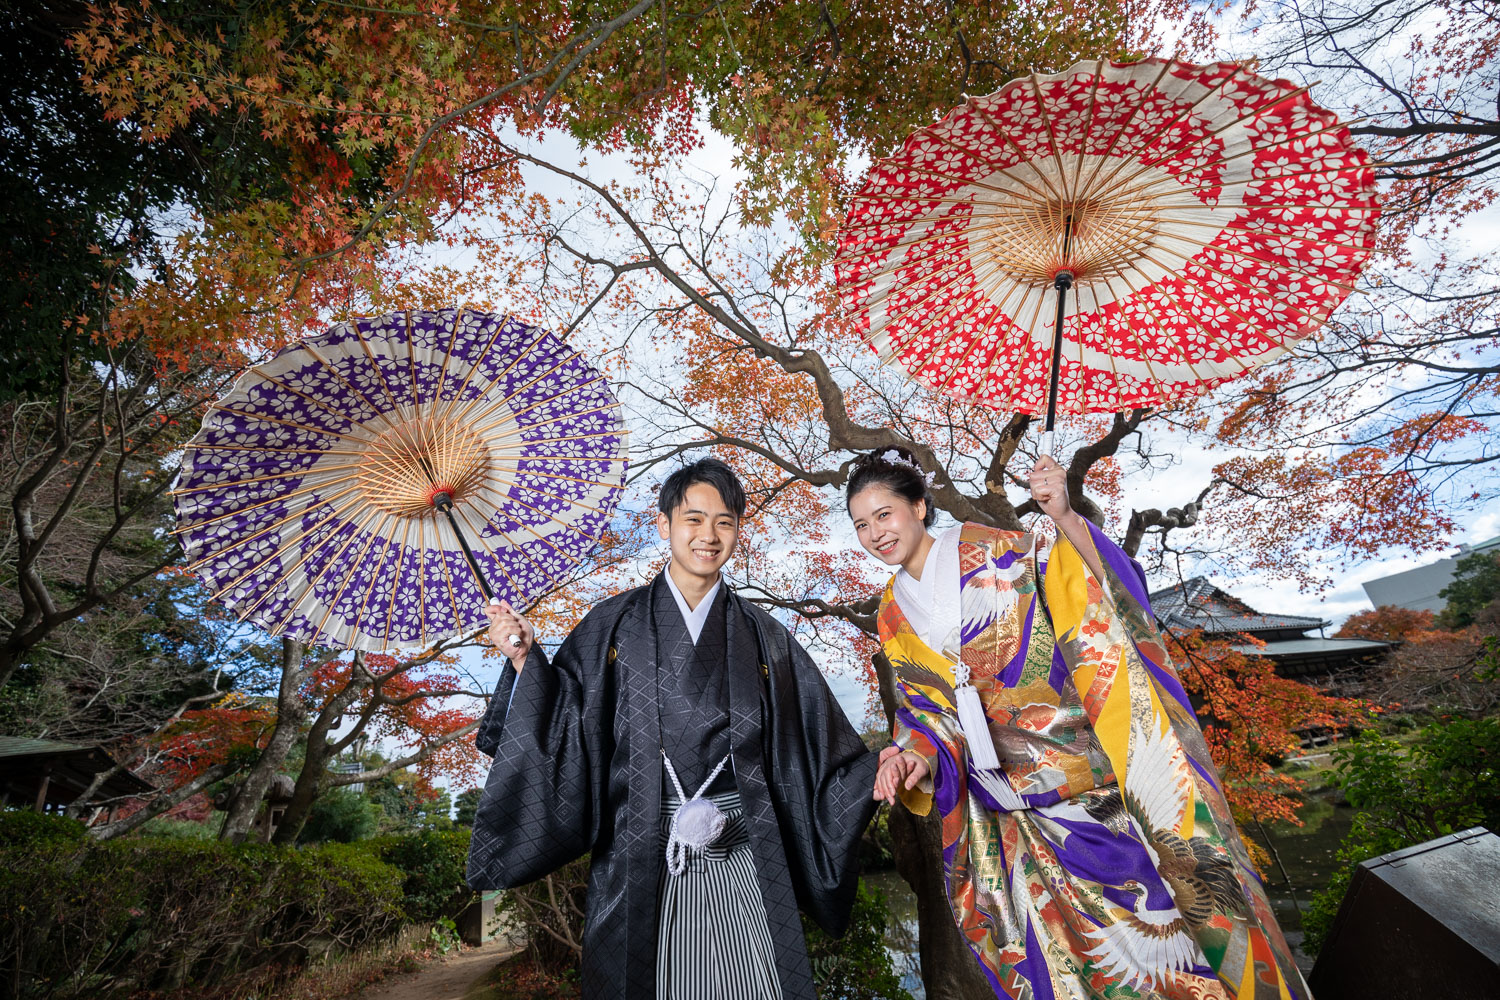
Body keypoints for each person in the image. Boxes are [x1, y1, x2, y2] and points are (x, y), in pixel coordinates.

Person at [853, 446, 1311, 1000]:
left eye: (885, 514)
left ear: (921, 506)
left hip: (1091, 793)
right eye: (861, 524)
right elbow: (925, 713)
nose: (875, 531)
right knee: (1069, 969)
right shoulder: (891, 614)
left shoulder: (1010, 552)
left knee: (1171, 950)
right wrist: (914, 754)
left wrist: (1065, 518)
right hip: (1008, 815)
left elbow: (1108, 600)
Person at [467, 457, 880, 1000]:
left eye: (725, 522)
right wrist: (527, 662)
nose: (709, 536)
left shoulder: (764, 636)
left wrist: (884, 764)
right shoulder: (611, 623)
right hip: (640, 846)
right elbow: (565, 721)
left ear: (737, 530)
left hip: (742, 848)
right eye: (693, 519)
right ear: (664, 525)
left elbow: (822, 746)